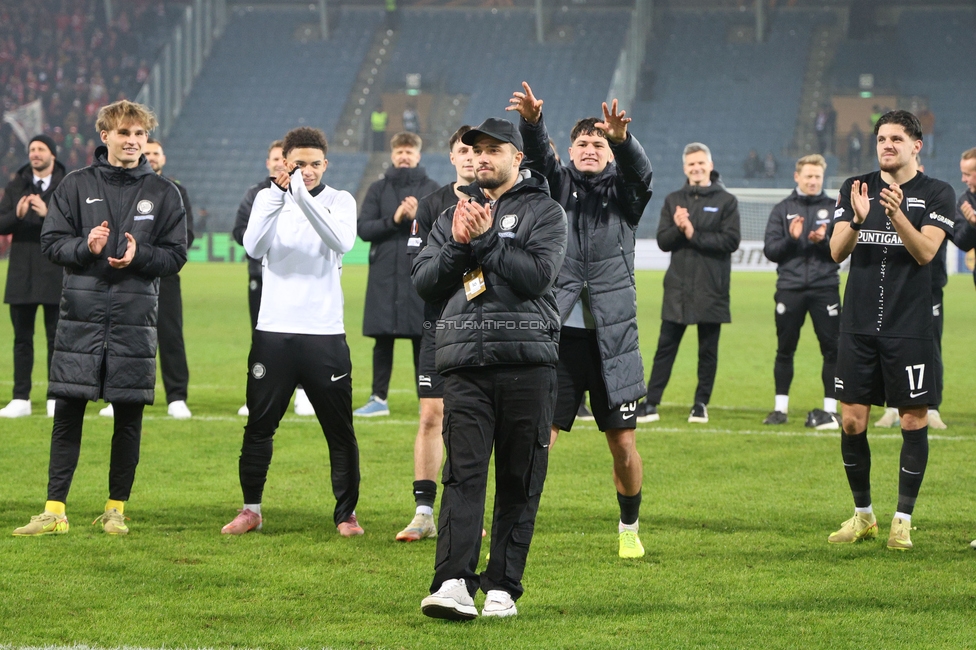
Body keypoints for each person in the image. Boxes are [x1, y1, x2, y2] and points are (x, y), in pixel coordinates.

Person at [413, 118, 566, 620]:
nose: (480, 157)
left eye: (492, 149)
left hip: (527, 360)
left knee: (520, 477)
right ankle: (453, 582)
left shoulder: (546, 211)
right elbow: (426, 283)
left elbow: (537, 278)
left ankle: (502, 587)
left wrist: (485, 243)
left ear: (517, 157)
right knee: (464, 474)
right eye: (473, 150)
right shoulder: (448, 215)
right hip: (465, 362)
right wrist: (458, 243)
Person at [13, 100, 187, 536]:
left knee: (128, 418)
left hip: (134, 320)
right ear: (104, 136)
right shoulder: (75, 185)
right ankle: (54, 511)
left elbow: (177, 254)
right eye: (124, 133)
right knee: (67, 413)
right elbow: (52, 242)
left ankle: (115, 510)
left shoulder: (165, 193)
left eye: (140, 135)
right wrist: (84, 247)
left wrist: (140, 255)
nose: (132, 142)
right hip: (81, 320)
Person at [508, 81, 653, 558]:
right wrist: (532, 124)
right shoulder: (556, 186)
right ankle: (515, 522)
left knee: (623, 446)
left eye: (598, 144)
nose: (591, 149)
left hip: (613, 340)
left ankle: (629, 527)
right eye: (583, 144)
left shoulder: (626, 194)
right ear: (571, 151)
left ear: (608, 152)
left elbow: (642, 173)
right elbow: (538, 159)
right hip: (560, 339)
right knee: (540, 438)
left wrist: (622, 140)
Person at [223, 126, 362, 537]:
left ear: (326, 164)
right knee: (260, 427)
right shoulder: (266, 200)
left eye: (315, 164)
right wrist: (280, 196)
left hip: (324, 335)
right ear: (284, 163)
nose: (308, 171)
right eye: (299, 164)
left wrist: (299, 194)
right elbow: (253, 247)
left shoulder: (340, 200)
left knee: (339, 430)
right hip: (273, 333)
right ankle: (251, 509)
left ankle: (346, 514)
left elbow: (341, 240)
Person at [827, 110, 956, 551]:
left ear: (916, 145)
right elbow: (834, 251)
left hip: (910, 327)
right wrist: (860, 220)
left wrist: (898, 215)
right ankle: (864, 515)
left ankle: (903, 518)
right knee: (850, 421)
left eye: (896, 138)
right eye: (881, 138)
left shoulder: (938, 192)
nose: (886, 145)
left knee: (911, 418)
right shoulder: (856, 187)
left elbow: (925, 253)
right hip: (858, 325)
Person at [397, 125, 476, 542]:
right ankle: (424, 513)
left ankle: (466, 512)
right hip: (439, 326)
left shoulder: (499, 200)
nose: (469, 157)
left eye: (476, 151)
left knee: (471, 422)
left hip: (482, 330)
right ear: (451, 158)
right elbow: (419, 272)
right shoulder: (431, 205)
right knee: (431, 416)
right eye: (461, 151)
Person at [874, 149, 976, 431]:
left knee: (931, 348)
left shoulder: (937, 195)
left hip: (929, 286)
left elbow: (960, 238)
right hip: (892, 286)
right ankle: (893, 407)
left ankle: (932, 408)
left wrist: (972, 224)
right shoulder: (882, 195)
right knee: (889, 346)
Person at [638, 143, 741, 424]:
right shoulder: (673, 199)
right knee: (665, 348)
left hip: (712, 287)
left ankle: (700, 404)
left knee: (707, 351)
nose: (696, 168)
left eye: (700, 163)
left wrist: (692, 232)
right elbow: (662, 241)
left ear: (710, 165)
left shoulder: (726, 201)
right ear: (685, 168)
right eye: (691, 165)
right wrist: (678, 229)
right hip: (678, 287)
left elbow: (731, 241)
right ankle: (651, 402)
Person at [98, 137, 195, 420]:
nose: (151, 156)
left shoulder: (176, 191)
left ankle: (177, 397)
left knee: (170, 335)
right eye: (147, 151)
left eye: (156, 152)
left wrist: (147, 252)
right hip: (127, 276)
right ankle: (116, 395)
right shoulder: (123, 190)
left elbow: (185, 236)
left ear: (163, 158)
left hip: (164, 275)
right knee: (122, 336)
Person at [355, 132, 439, 417]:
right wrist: (393, 220)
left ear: (418, 155)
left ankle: (425, 399)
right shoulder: (378, 189)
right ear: (392, 155)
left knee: (422, 339)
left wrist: (418, 218)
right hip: (384, 276)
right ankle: (378, 398)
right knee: (383, 339)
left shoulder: (432, 188)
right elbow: (364, 229)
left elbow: (443, 231)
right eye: (399, 152)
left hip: (420, 274)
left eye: (409, 152)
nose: (404, 156)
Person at [232, 141, 315, 418]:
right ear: (268, 163)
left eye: (284, 158)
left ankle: (303, 394)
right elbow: (239, 232)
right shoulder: (255, 193)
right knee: (262, 339)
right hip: (261, 276)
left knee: (301, 337)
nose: (280, 163)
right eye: (275, 159)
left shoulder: (305, 193)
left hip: (296, 278)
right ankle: (256, 394)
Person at [761, 154, 841, 429]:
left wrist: (823, 241)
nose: (813, 181)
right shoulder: (782, 209)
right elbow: (771, 251)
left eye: (817, 176)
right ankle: (780, 408)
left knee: (832, 350)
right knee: (785, 350)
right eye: (808, 176)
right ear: (797, 177)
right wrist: (791, 239)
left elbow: (841, 252)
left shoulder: (834, 208)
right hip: (790, 288)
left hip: (825, 288)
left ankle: (831, 409)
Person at [0, 135, 65, 419]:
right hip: (22, 273)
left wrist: (48, 214)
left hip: (54, 270)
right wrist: (17, 213)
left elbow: (75, 225)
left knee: (56, 338)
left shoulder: (66, 184)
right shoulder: (17, 184)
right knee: (21, 338)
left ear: (52, 154)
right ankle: (20, 397)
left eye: (41, 149)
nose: (35, 154)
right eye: (32, 150)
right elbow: (1, 224)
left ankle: (55, 396)